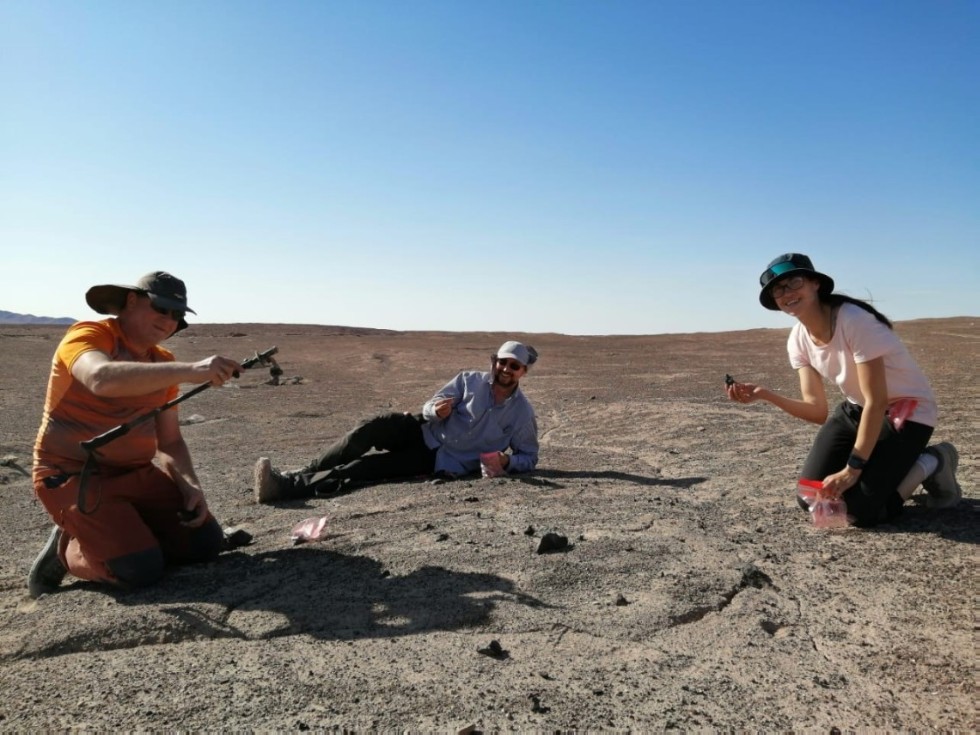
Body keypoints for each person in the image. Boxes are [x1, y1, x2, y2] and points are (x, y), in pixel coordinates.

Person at [28, 271, 244, 598]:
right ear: (131, 301)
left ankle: (117, 533)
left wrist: (190, 486)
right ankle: (67, 549)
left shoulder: (163, 362)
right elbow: (101, 378)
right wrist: (191, 370)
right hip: (74, 475)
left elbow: (169, 441)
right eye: (162, 309)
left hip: (136, 474)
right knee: (139, 570)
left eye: (177, 315)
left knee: (205, 544)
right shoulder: (89, 335)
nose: (169, 321)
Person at [726, 253, 961, 527]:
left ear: (815, 283)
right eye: (778, 289)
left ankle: (932, 461)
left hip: (906, 412)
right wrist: (764, 394)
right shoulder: (798, 341)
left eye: (794, 282)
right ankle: (887, 467)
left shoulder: (854, 321)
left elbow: (877, 399)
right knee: (811, 498)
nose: (786, 292)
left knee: (861, 512)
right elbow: (816, 411)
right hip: (857, 411)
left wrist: (853, 469)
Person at [254, 340, 539, 502]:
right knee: (370, 429)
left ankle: (285, 488)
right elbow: (430, 404)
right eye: (502, 361)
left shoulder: (522, 414)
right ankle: (308, 469)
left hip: (439, 462)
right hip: (424, 432)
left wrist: (507, 462)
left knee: (362, 469)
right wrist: (434, 411)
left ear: (523, 371)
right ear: (495, 361)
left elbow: (529, 456)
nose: (505, 369)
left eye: (513, 366)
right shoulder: (468, 380)